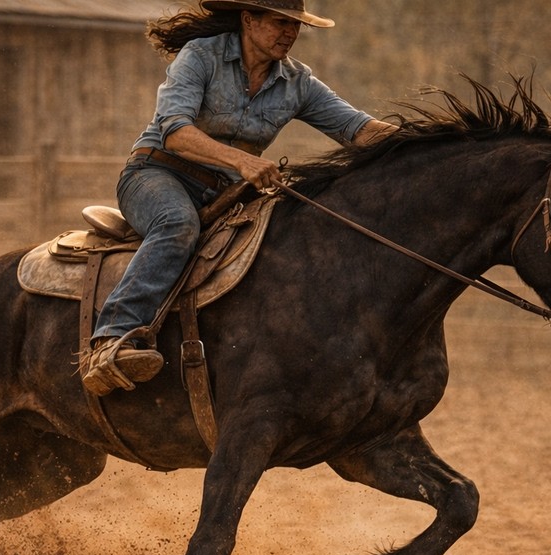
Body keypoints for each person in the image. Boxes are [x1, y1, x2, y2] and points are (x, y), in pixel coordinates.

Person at [80, 0, 397, 396]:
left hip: (226, 194)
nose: (290, 33)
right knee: (178, 225)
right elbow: (175, 131)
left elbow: (359, 130)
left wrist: (434, 138)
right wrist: (243, 162)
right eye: (281, 22)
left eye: (296, 25)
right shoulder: (201, 56)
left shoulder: (298, 82)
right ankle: (113, 337)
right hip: (156, 174)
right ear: (249, 19)